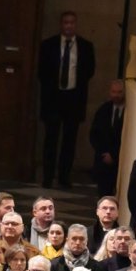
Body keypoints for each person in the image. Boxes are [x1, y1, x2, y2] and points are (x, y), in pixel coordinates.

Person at [37, 10, 96, 188]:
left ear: (75, 25)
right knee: (51, 139)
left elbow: (89, 71)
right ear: (61, 24)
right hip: (53, 98)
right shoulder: (48, 45)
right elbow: (42, 71)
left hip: (74, 98)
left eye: (72, 23)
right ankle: (48, 177)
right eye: (66, 23)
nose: (69, 26)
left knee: (69, 141)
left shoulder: (85, 46)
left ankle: (64, 177)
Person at [88, 79, 124, 196]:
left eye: (119, 92)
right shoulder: (103, 109)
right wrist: (103, 153)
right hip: (103, 161)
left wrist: (113, 155)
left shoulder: (129, 112)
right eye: (114, 92)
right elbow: (94, 134)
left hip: (119, 161)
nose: (116, 95)